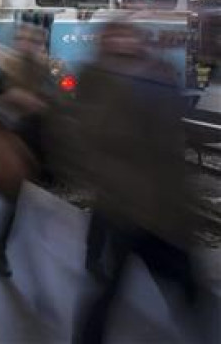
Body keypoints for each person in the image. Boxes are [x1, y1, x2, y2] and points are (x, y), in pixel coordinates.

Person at [72, 20, 215, 344]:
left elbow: (167, 135)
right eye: (117, 36)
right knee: (128, 287)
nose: (126, 42)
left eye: (129, 36)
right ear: (106, 42)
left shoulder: (149, 74)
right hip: (129, 207)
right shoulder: (100, 78)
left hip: (151, 206)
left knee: (175, 284)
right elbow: (96, 133)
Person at [0, 23, 55, 277]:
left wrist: (41, 104)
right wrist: (10, 100)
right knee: (13, 204)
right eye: (21, 39)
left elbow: (55, 102)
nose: (25, 44)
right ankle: (0, 250)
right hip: (12, 145)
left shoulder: (45, 70)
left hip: (36, 144)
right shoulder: (4, 70)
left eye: (31, 41)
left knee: (30, 204)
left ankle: (23, 250)